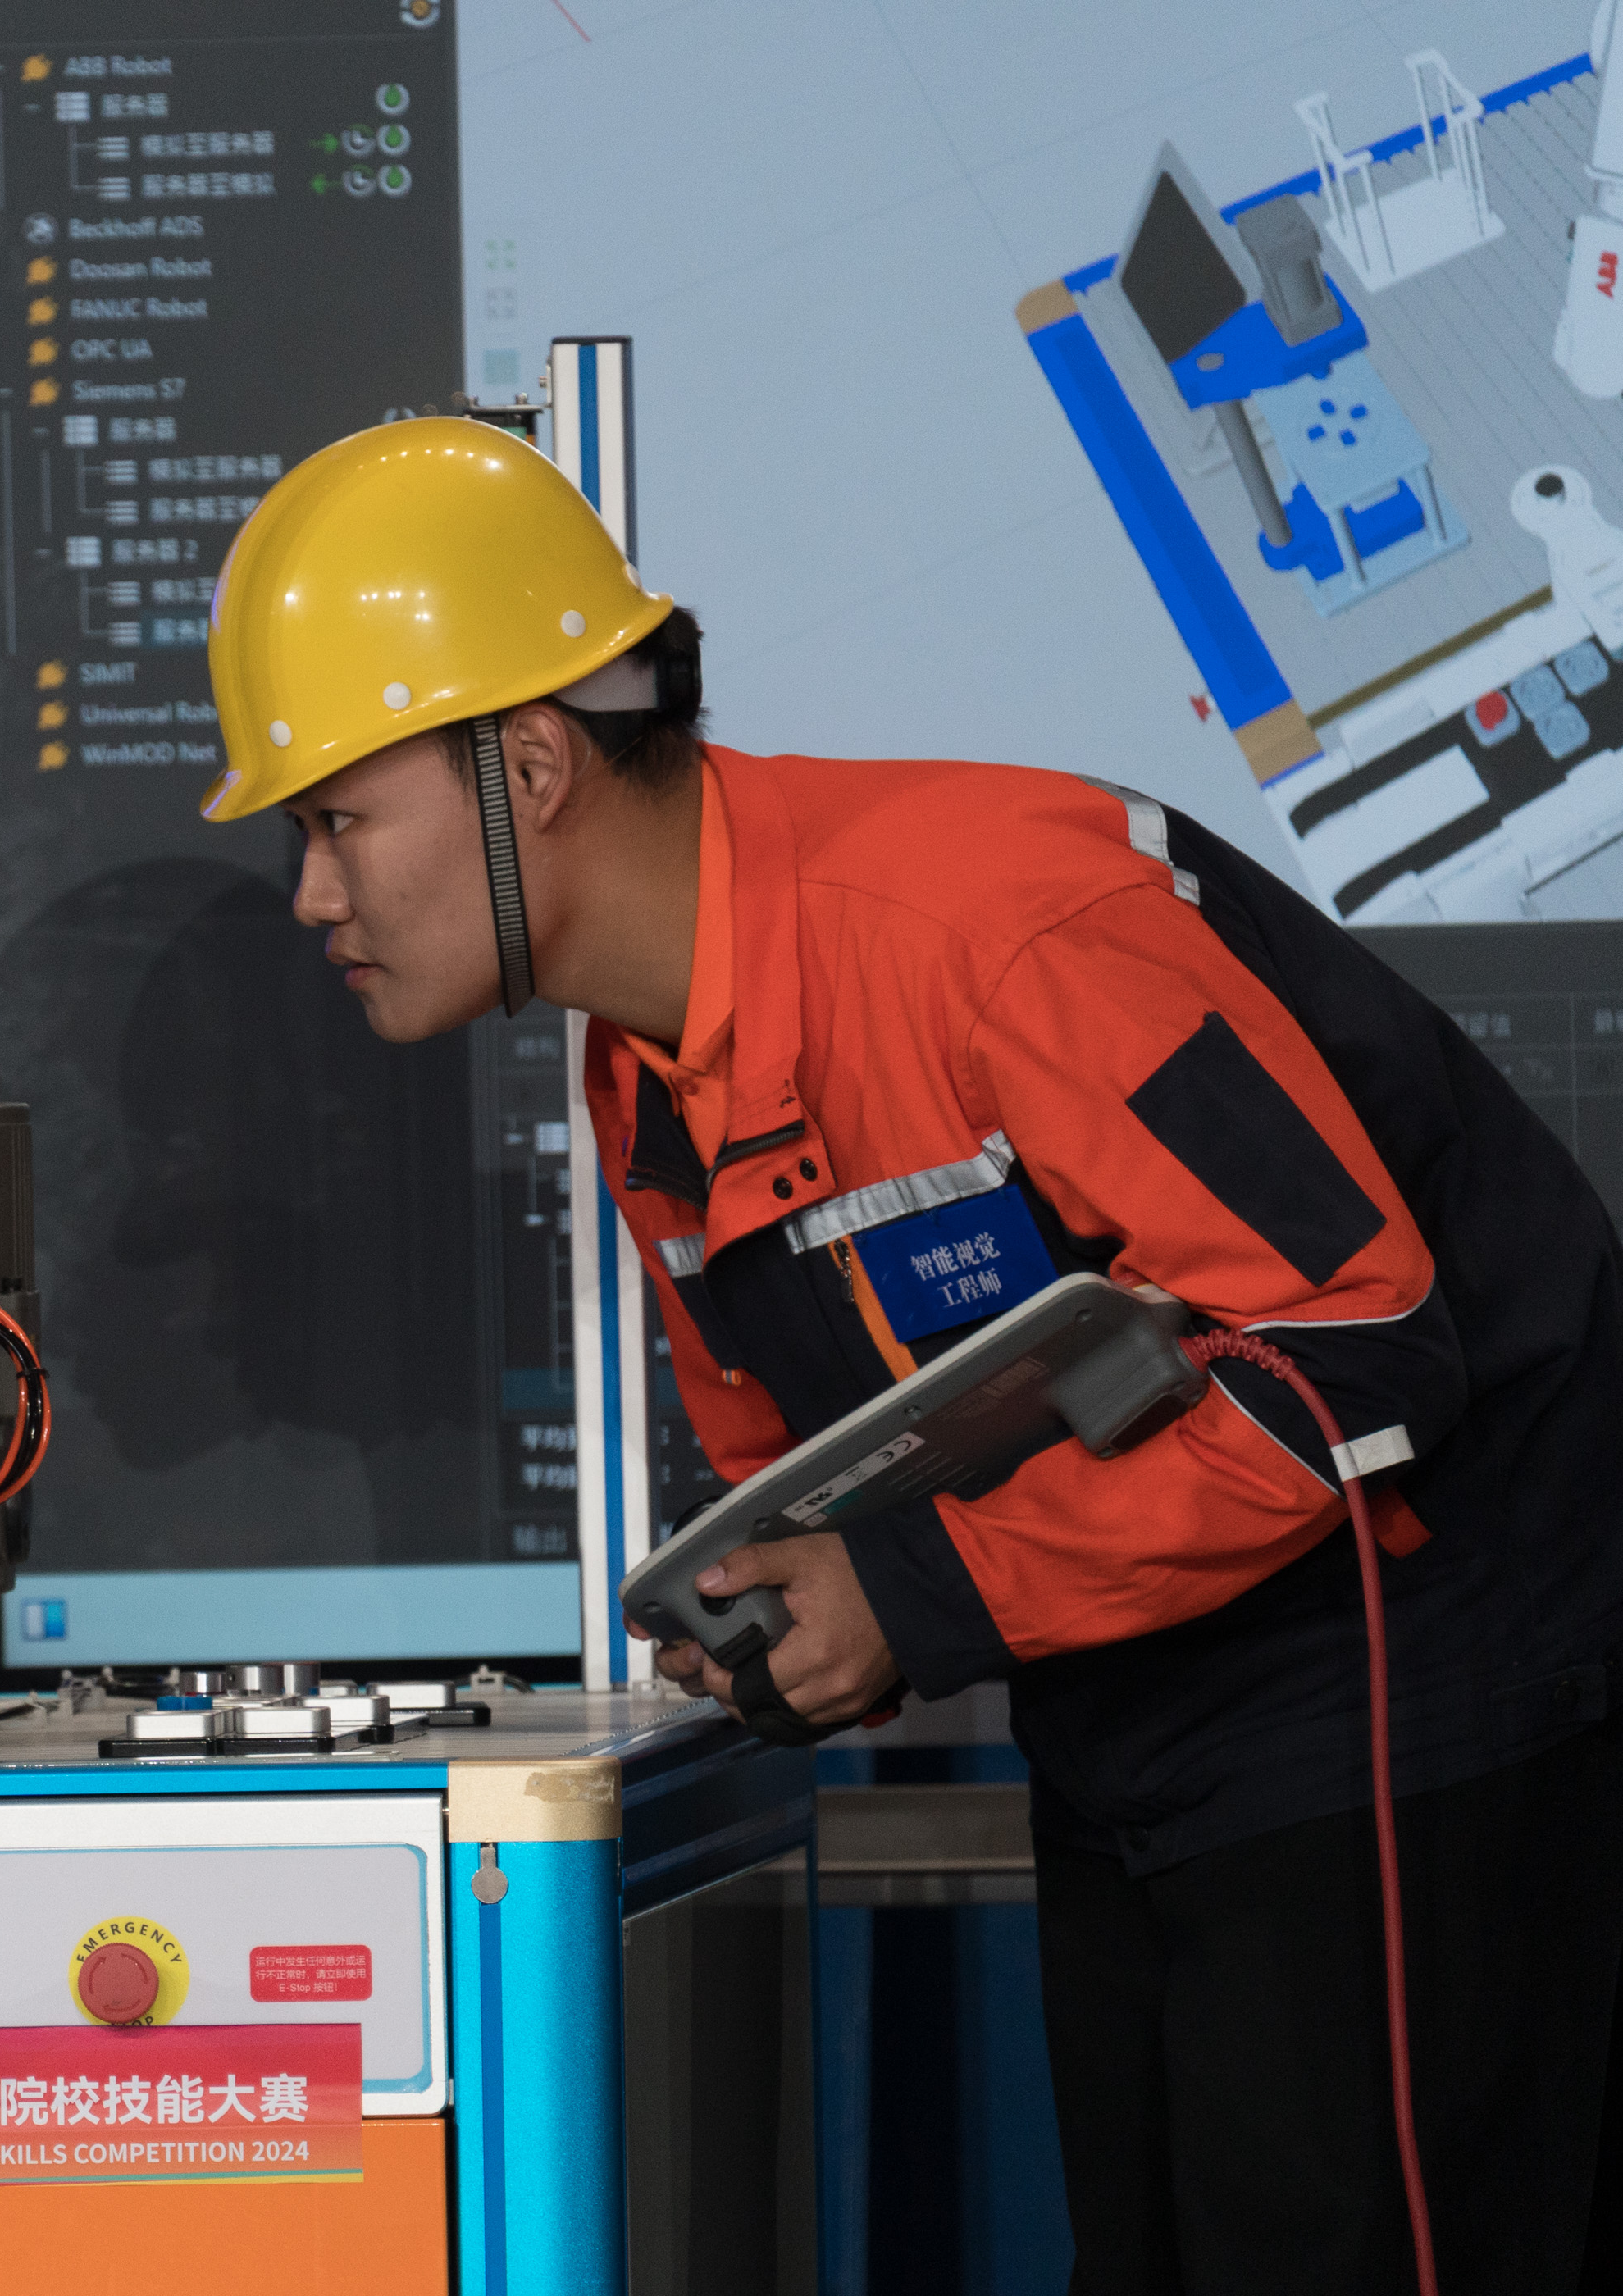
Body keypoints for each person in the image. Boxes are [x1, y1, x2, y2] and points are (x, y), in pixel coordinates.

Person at [200, 417, 1623, 2291]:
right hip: (1139, 1706)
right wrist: (794, 1599)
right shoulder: (648, 1079)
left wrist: (921, 1586)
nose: (312, 896)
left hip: (1418, 1682)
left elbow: (1356, 1355)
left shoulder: (999, 927)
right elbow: (848, 1456)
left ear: (527, 764)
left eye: (332, 820)